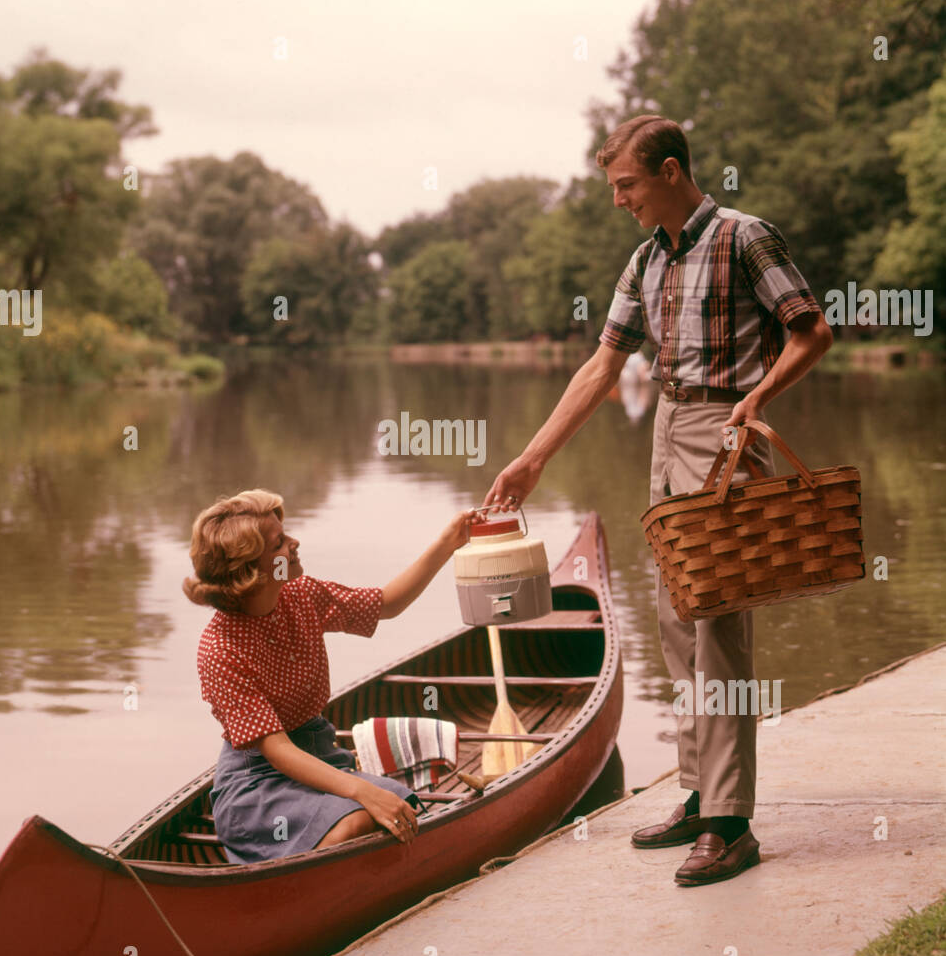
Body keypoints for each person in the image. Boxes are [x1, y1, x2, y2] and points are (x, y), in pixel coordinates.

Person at [484, 115, 833, 887]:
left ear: (670, 172)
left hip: (725, 430)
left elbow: (810, 333)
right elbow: (601, 370)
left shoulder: (746, 237)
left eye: (626, 185)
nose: (618, 201)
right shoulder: (644, 260)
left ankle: (731, 824)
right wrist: (532, 458)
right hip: (667, 430)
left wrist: (759, 395)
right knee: (676, 621)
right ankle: (698, 791)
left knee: (718, 627)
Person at [183, 487, 484, 864]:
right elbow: (278, 752)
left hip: (322, 759)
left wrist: (450, 541)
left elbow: (387, 604)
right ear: (249, 571)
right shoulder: (220, 648)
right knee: (360, 819)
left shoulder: (301, 594)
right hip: (258, 787)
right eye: (279, 543)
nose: (294, 543)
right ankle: (292, 894)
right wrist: (361, 791)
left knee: (401, 808)